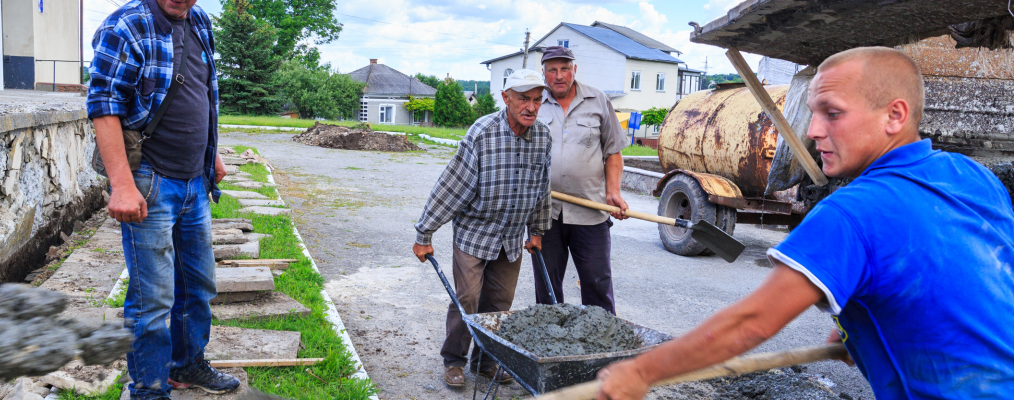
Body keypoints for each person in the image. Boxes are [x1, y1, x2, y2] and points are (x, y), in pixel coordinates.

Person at [594, 47, 1014, 400]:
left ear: (894, 115)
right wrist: (862, 324)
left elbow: (750, 323)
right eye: (813, 112)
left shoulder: (852, 211)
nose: (813, 131)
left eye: (832, 113)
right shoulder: (972, 176)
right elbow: (971, 279)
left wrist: (644, 371)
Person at [87, 0, 239, 398]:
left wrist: (212, 152)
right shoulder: (125, 26)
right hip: (150, 181)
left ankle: (185, 366)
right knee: (152, 300)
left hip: (194, 182)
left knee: (198, 288)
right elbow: (104, 108)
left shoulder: (199, 18)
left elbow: (200, 90)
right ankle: (149, 390)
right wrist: (122, 185)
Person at [413, 70, 553, 388]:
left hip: (512, 235)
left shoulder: (543, 137)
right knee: (467, 299)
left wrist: (537, 231)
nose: (531, 107)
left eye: (536, 100)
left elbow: (543, 188)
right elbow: (451, 187)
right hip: (476, 232)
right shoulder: (483, 133)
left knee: (500, 303)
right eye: (523, 99)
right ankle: (454, 360)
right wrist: (425, 233)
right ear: (506, 99)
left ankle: (486, 361)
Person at [534, 45, 630, 314]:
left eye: (565, 68)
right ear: (543, 74)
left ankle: (602, 345)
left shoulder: (597, 100)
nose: (559, 75)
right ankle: (551, 344)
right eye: (552, 70)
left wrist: (613, 192)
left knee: (597, 282)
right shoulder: (535, 102)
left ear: (574, 70)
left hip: (591, 211)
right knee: (547, 288)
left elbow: (613, 152)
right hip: (545, 214)